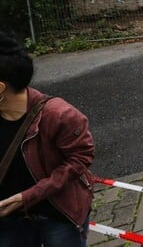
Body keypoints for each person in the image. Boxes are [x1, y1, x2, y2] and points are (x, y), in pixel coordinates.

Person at [0, 30, 95, 247]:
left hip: (56, 216)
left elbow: (80, 159)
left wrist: (27, 197)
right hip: (9, 223)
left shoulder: (59, 115)